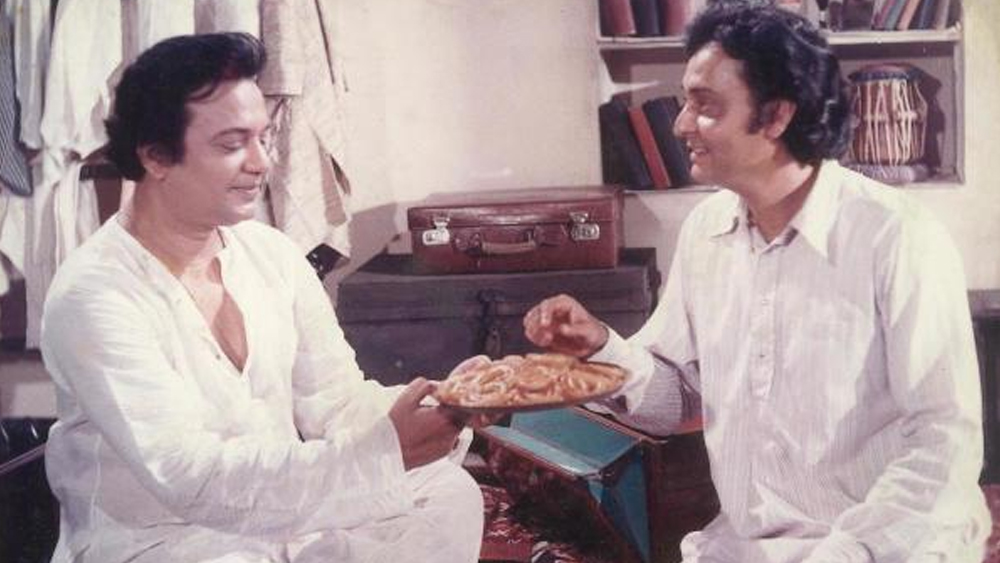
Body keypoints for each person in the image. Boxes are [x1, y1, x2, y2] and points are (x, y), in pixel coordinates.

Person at [524, 2, 989, 562]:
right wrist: (601, 348)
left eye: (705, 106)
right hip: (746, 546)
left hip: (889, 546)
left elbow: (944, 444)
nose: (680, 124)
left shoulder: (898, 236)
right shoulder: (706, 231)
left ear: (776, 117)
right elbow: (681, 400)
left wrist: (845, 555)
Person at [40, 32, 484, 563]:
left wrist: (445, 403)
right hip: (162, 542)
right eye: (233, 144)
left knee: (447, 494)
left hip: (278, 523)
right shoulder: (95, 295)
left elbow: (338, 403)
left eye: (263, 138)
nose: (262, 163)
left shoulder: (271, 253)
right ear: (155, 156)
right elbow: (191, 478)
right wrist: (383, 455)